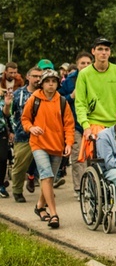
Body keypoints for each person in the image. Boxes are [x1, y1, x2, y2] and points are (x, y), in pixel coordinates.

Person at [21, 69, 74, 228]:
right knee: (47, 176)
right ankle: (54, 214)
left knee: (48, 179)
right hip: (38, 144)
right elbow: (25, 119)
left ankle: (39, 206)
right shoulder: (34, 99)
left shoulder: (62, 102)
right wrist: (31, 128)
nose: (51, 84)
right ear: (42, 84)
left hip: (57, 146)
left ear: (58, 84)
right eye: (47, 81)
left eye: (54, 81)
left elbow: (69, 126)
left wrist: (69, 143)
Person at [75, 37, 116, 162]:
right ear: (93, 51)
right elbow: (80, 104)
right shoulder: (84, 74)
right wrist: (86, 126)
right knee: (100, 163)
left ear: (110, 52)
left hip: (115, 124)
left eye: (106, 49)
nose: (103, 52)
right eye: (100, 49)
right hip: (94, 124)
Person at [59, 51, 93, 200]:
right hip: (74, 123)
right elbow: (59, 100)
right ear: (77, 65)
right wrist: (71, 97)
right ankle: (79, 188)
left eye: (88, 63)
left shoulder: (96, 77)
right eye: (82, 63)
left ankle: (92, 186)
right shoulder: (69, 80)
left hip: (93, 121)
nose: (85, 66)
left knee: (92, 156)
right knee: (78, 156)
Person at [10, 67, 43, 202]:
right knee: (20, 166)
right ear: (28, 77)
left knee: (45, 166)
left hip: (43, 136)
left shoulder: (46, 93)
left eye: (40, 76)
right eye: (35, 76)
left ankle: (46, 191)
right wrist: (11, 131)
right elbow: (10, 113)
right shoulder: (19, 94)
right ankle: (17, 190)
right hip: (23, 135)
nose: (37, 79)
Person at [0, 87, 13, 198]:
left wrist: (7, 104)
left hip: (1, 132)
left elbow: (6, 114)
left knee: (3, 158)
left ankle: (1, 185)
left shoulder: (2, 95)